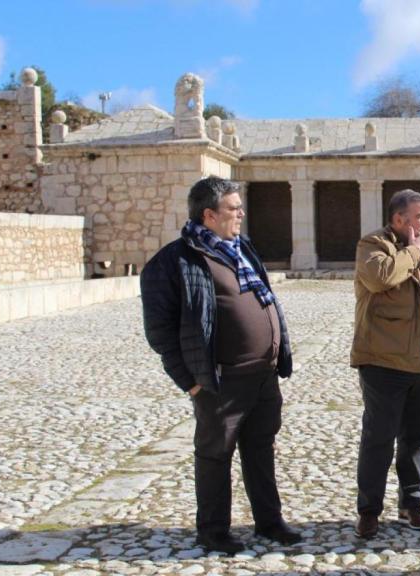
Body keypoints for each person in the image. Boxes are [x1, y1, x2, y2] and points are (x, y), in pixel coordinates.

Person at [140, 176, 300, 555]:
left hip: (262, 376)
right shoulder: (174, 261)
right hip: (220, 381)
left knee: (261, 448)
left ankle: (269, 521)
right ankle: (213, 531)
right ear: (209, 216)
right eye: (233, 208)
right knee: (215, 454)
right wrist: (191, 382)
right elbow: (160, 332)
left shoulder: (241, 249)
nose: (241, 214)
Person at [351, 188, 420, 539]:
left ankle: (412, 503)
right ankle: (369, 510)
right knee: (379, 438)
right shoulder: (373, 246)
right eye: (419, 216)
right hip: (385, 362)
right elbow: (381, 277)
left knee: (417, 437)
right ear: (399, 220)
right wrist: (415, 250)